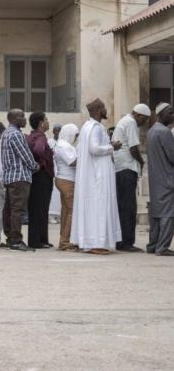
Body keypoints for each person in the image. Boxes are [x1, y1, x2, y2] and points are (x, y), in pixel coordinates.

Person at [71, 98, 122, 255]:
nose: (106, 110)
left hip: (94, 174)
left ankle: (90, 242)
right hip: (98, 176)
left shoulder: (88, 127)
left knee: (94, 207)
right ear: (99, 110)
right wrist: (111, 146)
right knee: (99, 206)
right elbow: (94, 149)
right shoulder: (96, 128)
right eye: (105, 108)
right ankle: (96, 243)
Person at [113, 103, 151, 252]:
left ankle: (121, 241)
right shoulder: (130, 123)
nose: (144, 123)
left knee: (123, 206)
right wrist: (142, 162)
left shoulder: (124, 121)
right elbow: (134, 148)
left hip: (120, 169)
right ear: (138, 115)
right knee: (129, 207)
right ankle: (127, 243)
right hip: (127, 168)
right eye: (145, 119)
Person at [1, 109, 37, 252]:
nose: (24, 119)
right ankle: (16, 241)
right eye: (21, 116)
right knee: (18, 210)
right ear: (13, 119)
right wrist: (34, 165)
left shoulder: (6, 133)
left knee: (10, 209)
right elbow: (25, 154)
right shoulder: (15, 134)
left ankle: (10, 238)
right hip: (19, 177)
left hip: (10, 177)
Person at [146, 103, 174, 256]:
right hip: (168, 179)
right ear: (160, 114)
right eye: (170, 113)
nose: (172, 116)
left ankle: (153, 245)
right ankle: (162, 248)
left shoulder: (151, 131)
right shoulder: (164, 132)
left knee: (157, 214)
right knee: (169, 214)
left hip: (156, 179)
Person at [27, 112, 54, 249]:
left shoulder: (31, 136)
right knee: (41, 208)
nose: (48, 122)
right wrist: (42, 162)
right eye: (46, 120)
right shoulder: (41, 137)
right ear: (41, 123)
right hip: (42, 176)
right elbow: (38, 150)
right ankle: (38, 241)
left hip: (35, 176)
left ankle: (40, 239)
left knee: (36, 208)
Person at [53, 123, 79, 252]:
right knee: (71, 211)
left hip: (64, 180)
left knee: (66, 211)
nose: (76, 137)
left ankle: (64, 239)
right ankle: (64, 241)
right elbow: (73, 162)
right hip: (67, 180)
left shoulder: (64, 144)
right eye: (75, 135)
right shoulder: (63, 145)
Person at [48, 123, 62, 224]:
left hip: (61, 172)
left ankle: (59, 215)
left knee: (60, 194)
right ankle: (51, 215)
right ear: (53, 131)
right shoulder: (49, 142)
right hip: (52, 171)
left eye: (59, 130)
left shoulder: (63, 143)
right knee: (53, 194)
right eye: (56, 130)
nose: (57, 132)